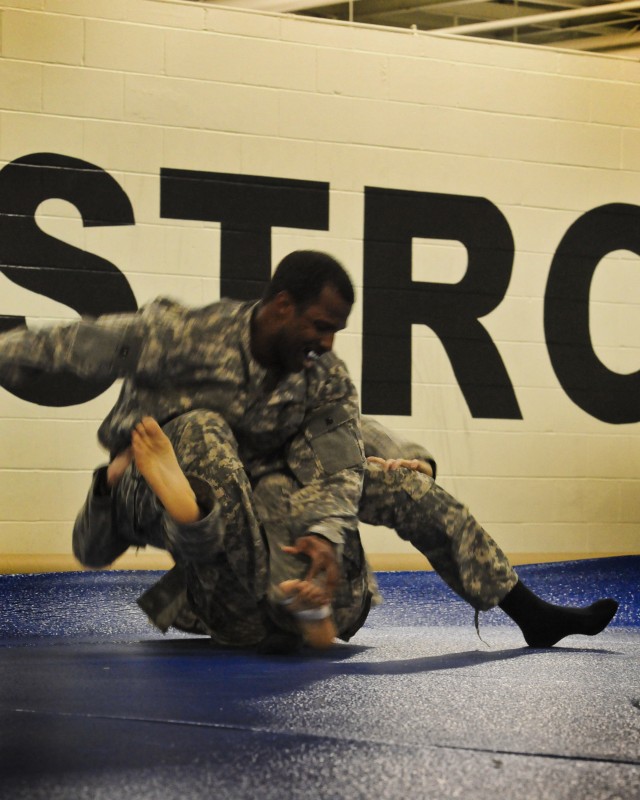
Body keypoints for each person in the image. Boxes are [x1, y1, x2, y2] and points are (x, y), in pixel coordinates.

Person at [0, 251, 372, 652]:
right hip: (143, 475)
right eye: (321, 326)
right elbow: (72, 343)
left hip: (221, 504)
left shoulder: (317, 372)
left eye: (335, 331)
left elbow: (347, 435)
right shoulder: (185, 335)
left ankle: (225, 561)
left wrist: (406, 460)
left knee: (280, 490)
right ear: (283, 305)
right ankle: (125, 488)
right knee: (195, 444)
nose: (327, 341)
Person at [359, 417, 619, 649]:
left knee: (406, 481)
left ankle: (533, 616)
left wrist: (417, 463)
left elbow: (353, 427)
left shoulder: (326, 394)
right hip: (320, 551)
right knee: (329, 614)